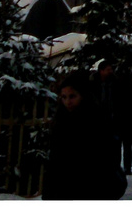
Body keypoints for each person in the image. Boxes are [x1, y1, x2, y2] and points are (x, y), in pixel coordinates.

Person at [43, 71, 127, 200]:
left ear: (83, 95)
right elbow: (55, 160)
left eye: (72, 96)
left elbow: (108, 157)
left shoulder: (96, 120)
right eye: (64, 97)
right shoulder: (60, 122)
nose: (68, 102)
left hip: (92, 187)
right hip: (65, 189)